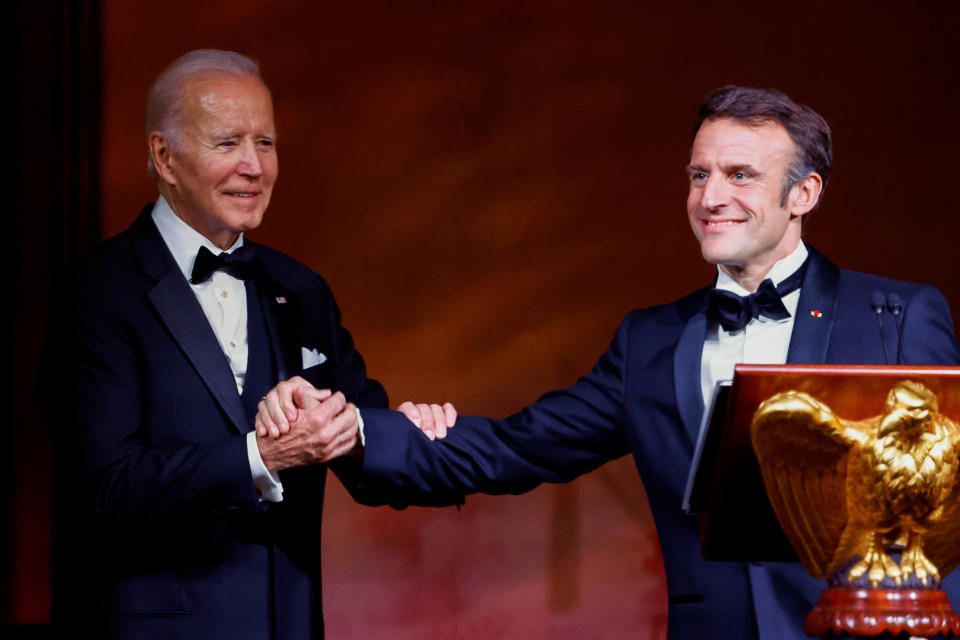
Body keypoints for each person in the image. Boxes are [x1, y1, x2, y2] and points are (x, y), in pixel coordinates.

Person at [259, 86, 960, 638]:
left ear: (803, 194)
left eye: (740, 175)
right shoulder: (649, 341)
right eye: (699, 175)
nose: (710, 198)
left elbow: (950, 500)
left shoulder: (898, 316)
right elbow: (515, 448)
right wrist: (356, 433)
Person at [41, 49, 450, 638]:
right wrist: (262, 456)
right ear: (165, 157)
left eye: (266, 143)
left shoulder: (303, 290)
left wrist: (403, 433)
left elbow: (364, 436)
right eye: (228, 142)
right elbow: (104, 489)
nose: (254, 167)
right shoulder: (96, 291)